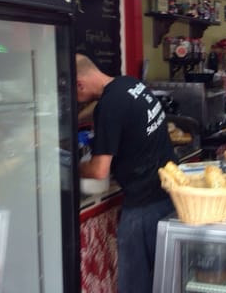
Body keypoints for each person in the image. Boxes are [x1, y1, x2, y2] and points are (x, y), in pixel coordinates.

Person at [75, 53, 176, 293]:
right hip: (167, 193)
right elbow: (105, 106)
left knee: (135, 283)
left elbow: (99, 170)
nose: (77, 101)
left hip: (142, 206)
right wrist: (74, 118)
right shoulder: (129, 84)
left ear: (79, 84)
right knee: (165, 277)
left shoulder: (109, 107)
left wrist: (68, 167)